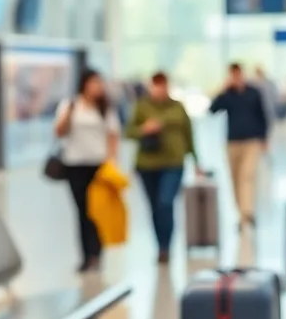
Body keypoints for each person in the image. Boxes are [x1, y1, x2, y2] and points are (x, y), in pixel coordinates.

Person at [126, 71, 198, 264]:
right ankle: (160, 245)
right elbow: (129, 131)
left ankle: (166, 245)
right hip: (147, 165)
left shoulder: (177, 107)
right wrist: (145, 129)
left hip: (173, 163)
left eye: (163, 85)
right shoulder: (142, 107)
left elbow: (189, 135)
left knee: (166, 203)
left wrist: (197, 161)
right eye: (156, 85)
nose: (160, 89)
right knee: (155, 207)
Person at [54, 68, 121, 273]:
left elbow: (113, 134)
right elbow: (59, 131)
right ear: (84, 84)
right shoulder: (70, 105)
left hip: (98, 165)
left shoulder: (104, 108)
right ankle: (85, 256)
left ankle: (97, 253)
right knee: (82, 211)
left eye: (100, 83)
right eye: (94, 83)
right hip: (74, 164)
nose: (97, 87)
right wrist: (69, 114)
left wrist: (111, 160)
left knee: (97, 210)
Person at [209, 63, 270, 229]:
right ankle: (241, 212)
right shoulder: (227, 95)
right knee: (235, 178)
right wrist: (222, 89)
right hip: (233, 142)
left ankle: (247, 214)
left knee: (247, 176)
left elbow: (262, 115)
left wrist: (264, 138)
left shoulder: (253, 93)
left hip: (252, 141)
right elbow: (212, 109)